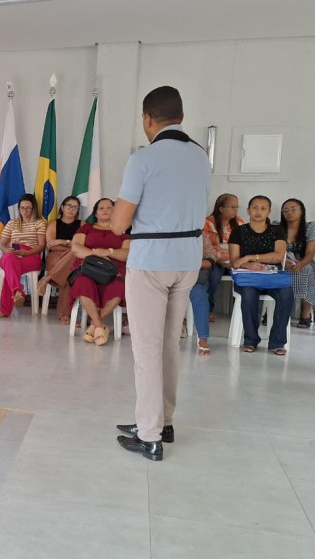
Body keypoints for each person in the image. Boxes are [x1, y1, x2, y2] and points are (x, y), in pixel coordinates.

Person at [112, 86, 212, 462]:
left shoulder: (143, 159)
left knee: (146, 349)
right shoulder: (201, 157)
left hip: (151, 260)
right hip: (188, 259)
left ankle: (149, 435)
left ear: (147, 119)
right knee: (169, 343)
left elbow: (119, 223)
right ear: (181, 117)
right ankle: (163, 421)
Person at [228, 195, 292, 354]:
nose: (258, 211)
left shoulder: (277, 230)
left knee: (286, 294)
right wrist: (248, 265)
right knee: (249, 294)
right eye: (255, 207)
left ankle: (277, 342)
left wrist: (250, 257)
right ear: (248, 210)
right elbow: (234, 261)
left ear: (269, 212)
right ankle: (251, 340)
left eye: (263, 208)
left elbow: (278, 256)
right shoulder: (238, 231)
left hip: (273, 277)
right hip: (248, 277)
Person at [69, 198, 130, 345]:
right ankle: (100, 326)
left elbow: (127, 253)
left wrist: (108, 252)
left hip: (114, 271)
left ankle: (94, 325)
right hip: (89, 268)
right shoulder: (86, 228)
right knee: (82, 283)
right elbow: (76, 248)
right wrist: (96, 255)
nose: (105, 210)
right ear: (95, 213)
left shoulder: (123, 231)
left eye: (109, 208)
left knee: (119, 287)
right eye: (101, 208)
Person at [0, 194, 46, 319]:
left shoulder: (39, 223)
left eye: (28, 208)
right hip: (12, 253)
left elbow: (42, 246)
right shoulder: (12, 223)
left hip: (31, 255)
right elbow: (2, 244)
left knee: (10, 269)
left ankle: (6, 307)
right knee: (9, 260)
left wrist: (27, 252)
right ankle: (17, 291)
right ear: (19, 208)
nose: (25, 211)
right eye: (22, 208)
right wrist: (8, 251)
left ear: (34, 208)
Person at [37, 196, 82, 324]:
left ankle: (47, 278)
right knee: (71, 266)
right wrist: (71, 245)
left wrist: (62, 241)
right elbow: (51, 245)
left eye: (75, 207)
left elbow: (82, 245)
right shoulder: (53, 224)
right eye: (69, 206)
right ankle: (65, 315)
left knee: (70, 273)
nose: (71, 209)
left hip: (73, 259)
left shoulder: (82, 225)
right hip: (55, 257)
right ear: (62, 207)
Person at [202, 193, 245, 321]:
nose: (235, 210)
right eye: (232, 207)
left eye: (237, 207)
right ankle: (208, 309)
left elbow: (245, 245)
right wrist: (218, 260)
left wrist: (237, 260)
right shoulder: (207, 223)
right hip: (217, 260)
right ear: (221, 208)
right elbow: (205, 247)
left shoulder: (240, 222)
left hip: (236, 260)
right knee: (213, 276)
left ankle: (242, 311)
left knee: (246, 276)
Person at [280, 198, 315, 328]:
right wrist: (284, 262)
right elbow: (273, 250)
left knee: (308, 269)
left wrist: (300, 264)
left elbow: (310, 253)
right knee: (276, 271)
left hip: (303, 260)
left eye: (293, 209)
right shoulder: (277, 227)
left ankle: (306, 313)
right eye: (285, 210)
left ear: (301, 211)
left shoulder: (311, 227)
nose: (289, 212)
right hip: (281, 260)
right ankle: (273, 311)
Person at [189, 234, 220, 355]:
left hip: (194, 276)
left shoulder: (200, 235)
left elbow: (211, 259)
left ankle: (203, 339)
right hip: (169, 277)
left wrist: (196, 264)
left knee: (200, 295)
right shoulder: (166, 231)